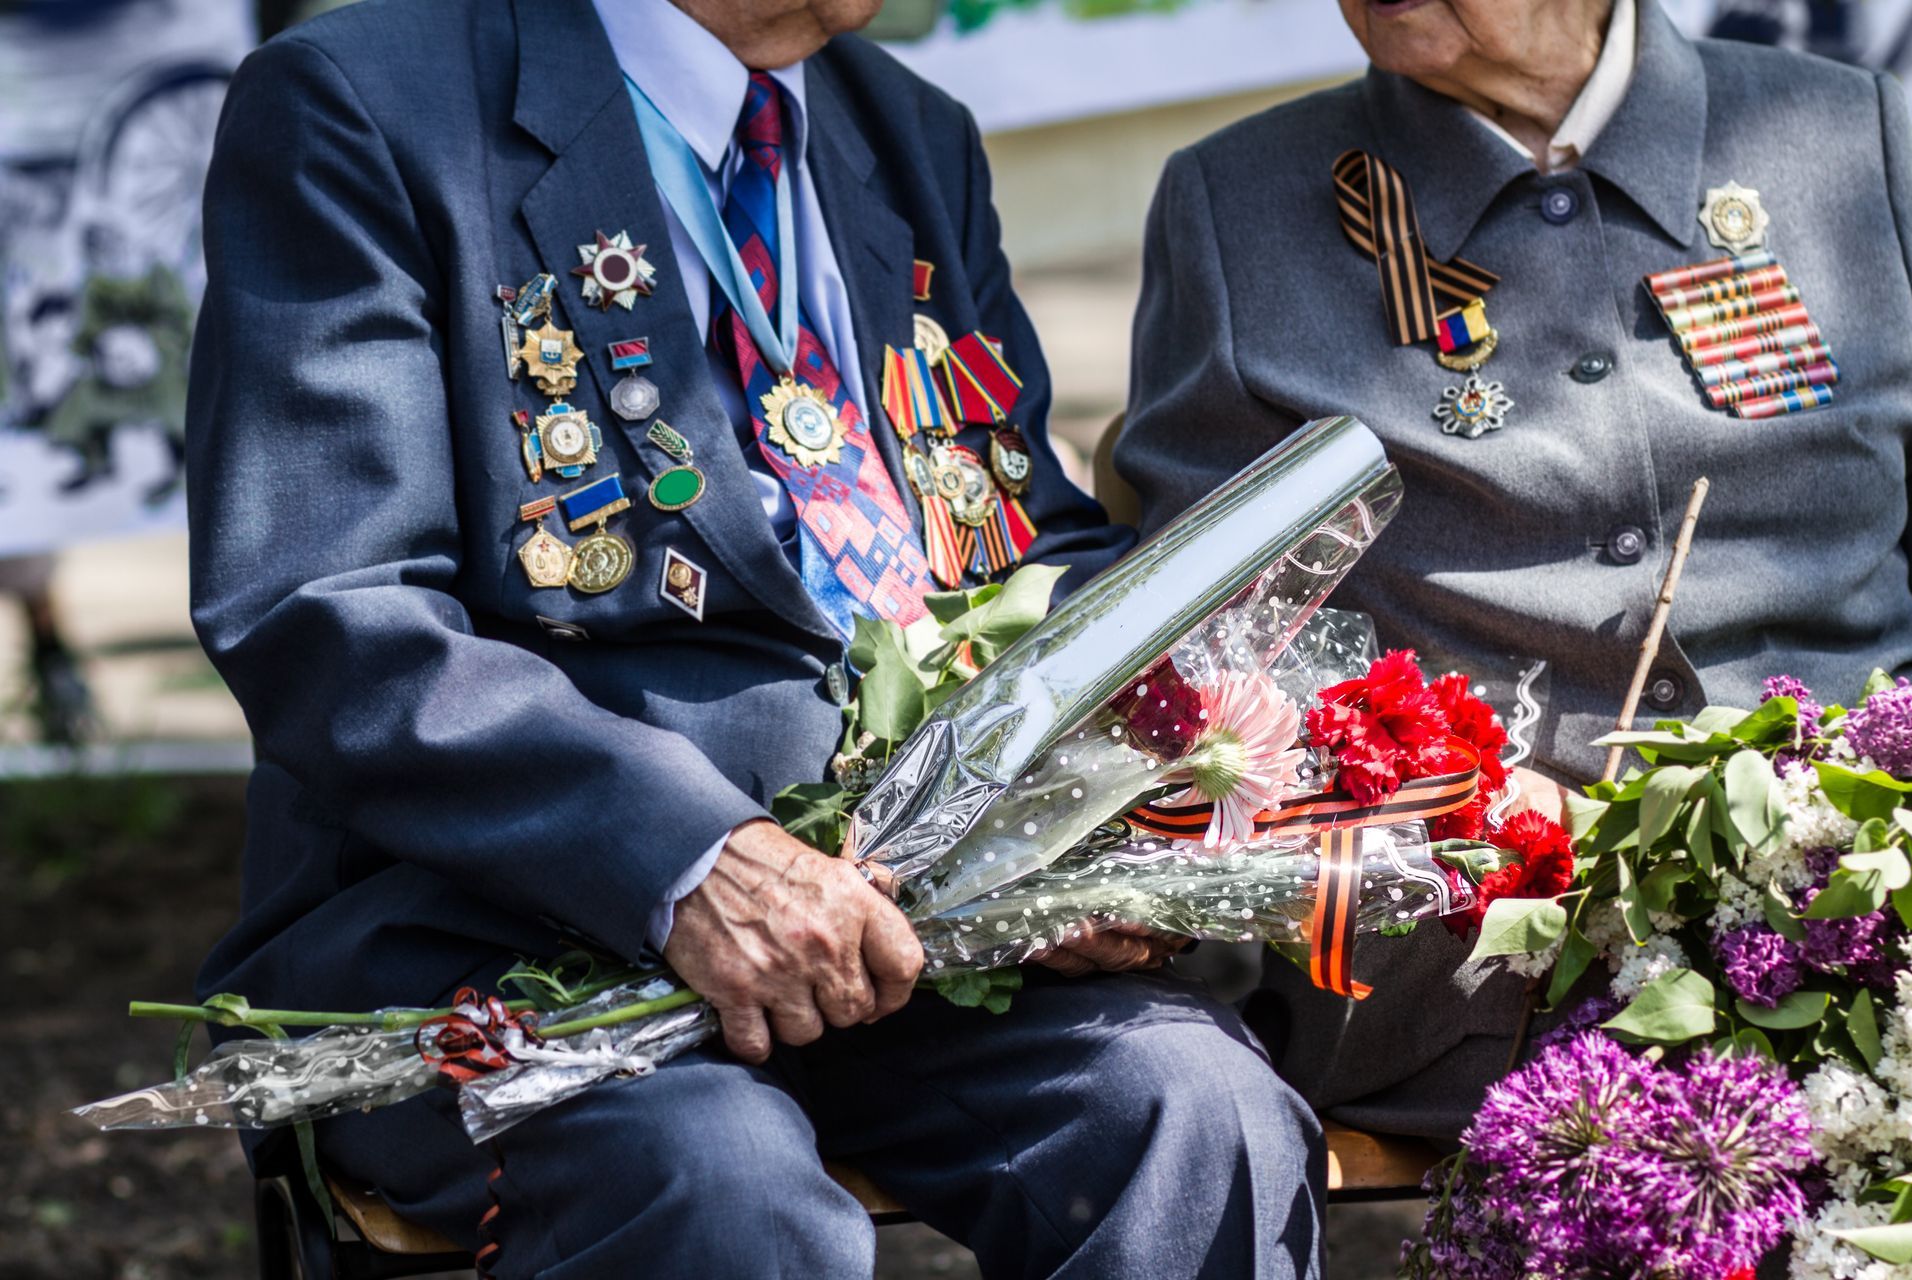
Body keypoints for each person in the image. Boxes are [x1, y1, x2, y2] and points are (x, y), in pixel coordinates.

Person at [186, 0, 1327, 1275]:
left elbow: (1015, 532)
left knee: (1192, 1108)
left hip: (906, 929)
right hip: (511, 924)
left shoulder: (901, 126)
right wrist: (686, 856)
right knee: (719, 1183)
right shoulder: (361, 100)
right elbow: (331, 610)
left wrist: (1116, 789)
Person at [1116, 0, 1912, 1140]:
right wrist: (1434, 804)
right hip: (1495, 954)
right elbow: (1200, 647)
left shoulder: (1850, 133)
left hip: (1871, 887)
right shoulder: (1237, 202)